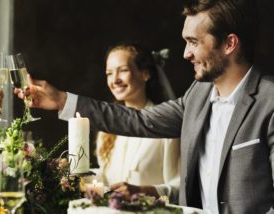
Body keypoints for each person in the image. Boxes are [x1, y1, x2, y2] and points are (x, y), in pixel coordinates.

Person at [16, 0, 274, 213]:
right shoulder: (198, 95)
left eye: (194, 42)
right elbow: (137, 120)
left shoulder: (269, 101)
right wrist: (62, 100)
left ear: (229, 44)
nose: (186, 53)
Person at [95, 42, 180, 202]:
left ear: (145, 74)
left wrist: (144, 191)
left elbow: (181, 187)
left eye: (123, 71)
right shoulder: (108, 126)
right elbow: (105, 177)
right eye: (109, 73)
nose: (115, 80)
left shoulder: (166, 126)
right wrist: (79, 177)